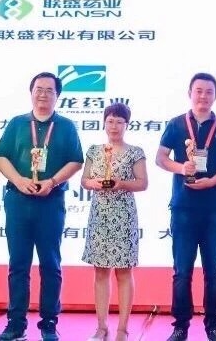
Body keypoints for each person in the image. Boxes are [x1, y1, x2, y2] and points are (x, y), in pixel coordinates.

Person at [0, 72, 85, 341]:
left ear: (58, 96)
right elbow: (1, 156)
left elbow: (76, 160)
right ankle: (15, 324)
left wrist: (53, 181)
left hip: (50, 202)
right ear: (31, 92)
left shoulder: (66, 126)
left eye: (49, 90)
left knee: (50, 264)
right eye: (39, 89)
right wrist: (18, 180)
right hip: (18, 201)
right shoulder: (17, 123)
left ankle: (49, 323)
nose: (43, 94)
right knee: (18, 264)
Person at [157, 72, 216, 341]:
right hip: (183, 209)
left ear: (215, 95)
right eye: (199, 91)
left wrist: (213, 181)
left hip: (214, 209)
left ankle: (213, 327)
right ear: (190, 93)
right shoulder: (176, 124)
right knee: (182, 272)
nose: (203, 96)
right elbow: (161, 158)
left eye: (209, 92)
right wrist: (182, 168)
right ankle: (180, 327)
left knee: (213, 272)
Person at [80, 103, 149, 341]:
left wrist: (121, 183)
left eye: (119, 121)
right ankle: (101, 327)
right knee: (100, 272)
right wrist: (94, 183)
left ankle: (122, 329)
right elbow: (84, 180)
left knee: (124, 272)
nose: (114, 126)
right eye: (110, 121)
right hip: (100, 216)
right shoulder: (94, 151)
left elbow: (142, 183)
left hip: (124, 216)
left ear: (127, 125)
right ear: (104, 123)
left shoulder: (135, 152)